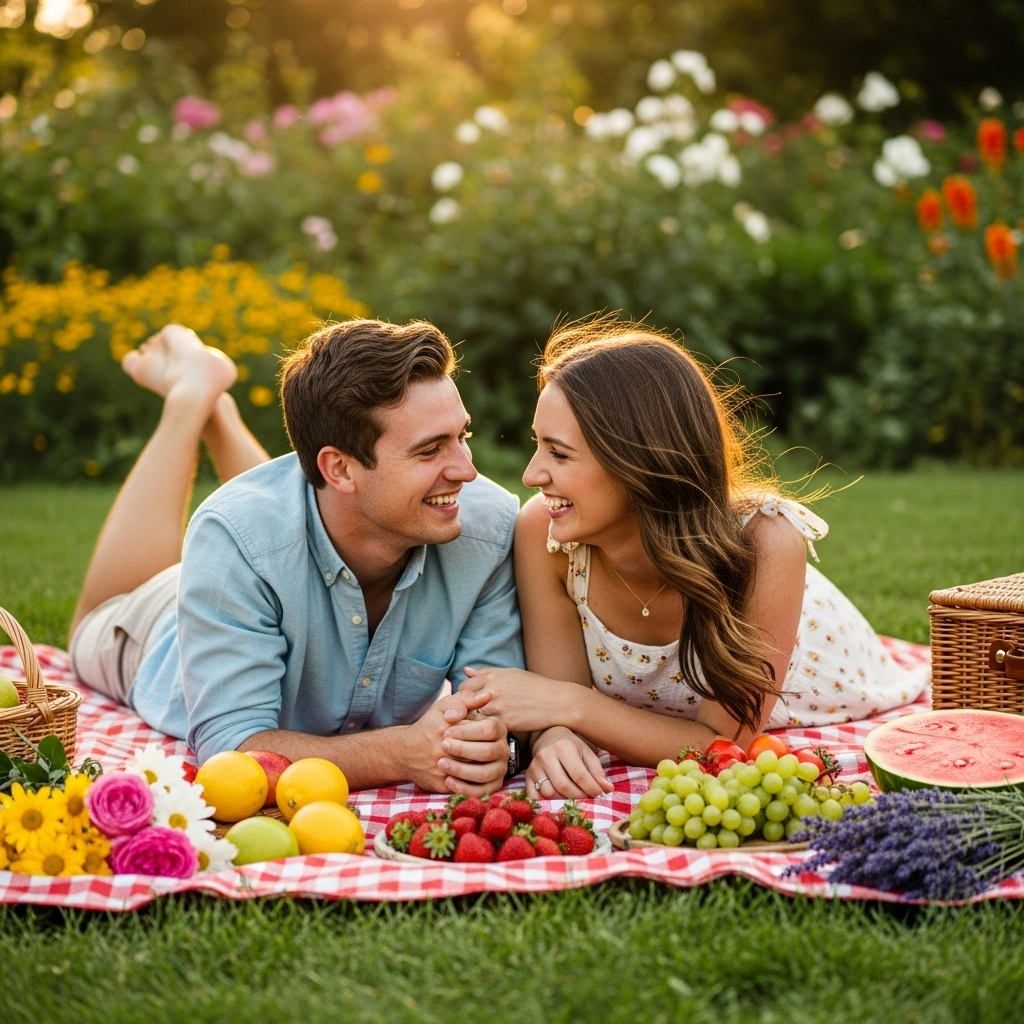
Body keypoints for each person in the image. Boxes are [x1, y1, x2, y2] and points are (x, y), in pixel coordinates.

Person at [459, 319, 927, 800]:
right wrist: (555, 736)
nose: (532, 473)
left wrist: (570, 708)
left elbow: (722, 746)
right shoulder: (547, 533)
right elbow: (554, 703)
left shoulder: (766, 542)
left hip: (818, 691)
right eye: (538, 445)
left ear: (638, 462)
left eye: (558, 454)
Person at [69, 320, 524, 795]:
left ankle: (219, 410)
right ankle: (191, 398)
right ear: (340, 467)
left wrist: (495, 746)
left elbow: (500, 707)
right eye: (430, 450)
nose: (467, 471)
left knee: (288, 521)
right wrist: (401, 753)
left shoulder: (485, 530)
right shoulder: (234, 541)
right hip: (155, 625)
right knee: (92, 619)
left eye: (462, 436)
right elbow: (234, 748)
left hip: (278, 556)